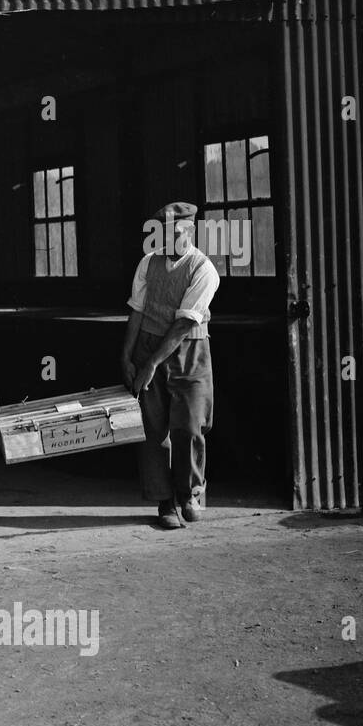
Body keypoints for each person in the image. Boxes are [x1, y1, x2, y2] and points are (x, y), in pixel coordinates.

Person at [120, 201, 221, 531]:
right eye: (163, 232)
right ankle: (165, 502)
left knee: (191, 426)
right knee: (153, 430)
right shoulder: (148, 264)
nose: (169, 239)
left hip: (189, 352)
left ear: (190, 231)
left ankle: (189, 492)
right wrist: (127, 357)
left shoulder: (203, 269)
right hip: (148, 348)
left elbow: (183, 325)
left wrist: (150, 364)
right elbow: (137, 312)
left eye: (176, 232)